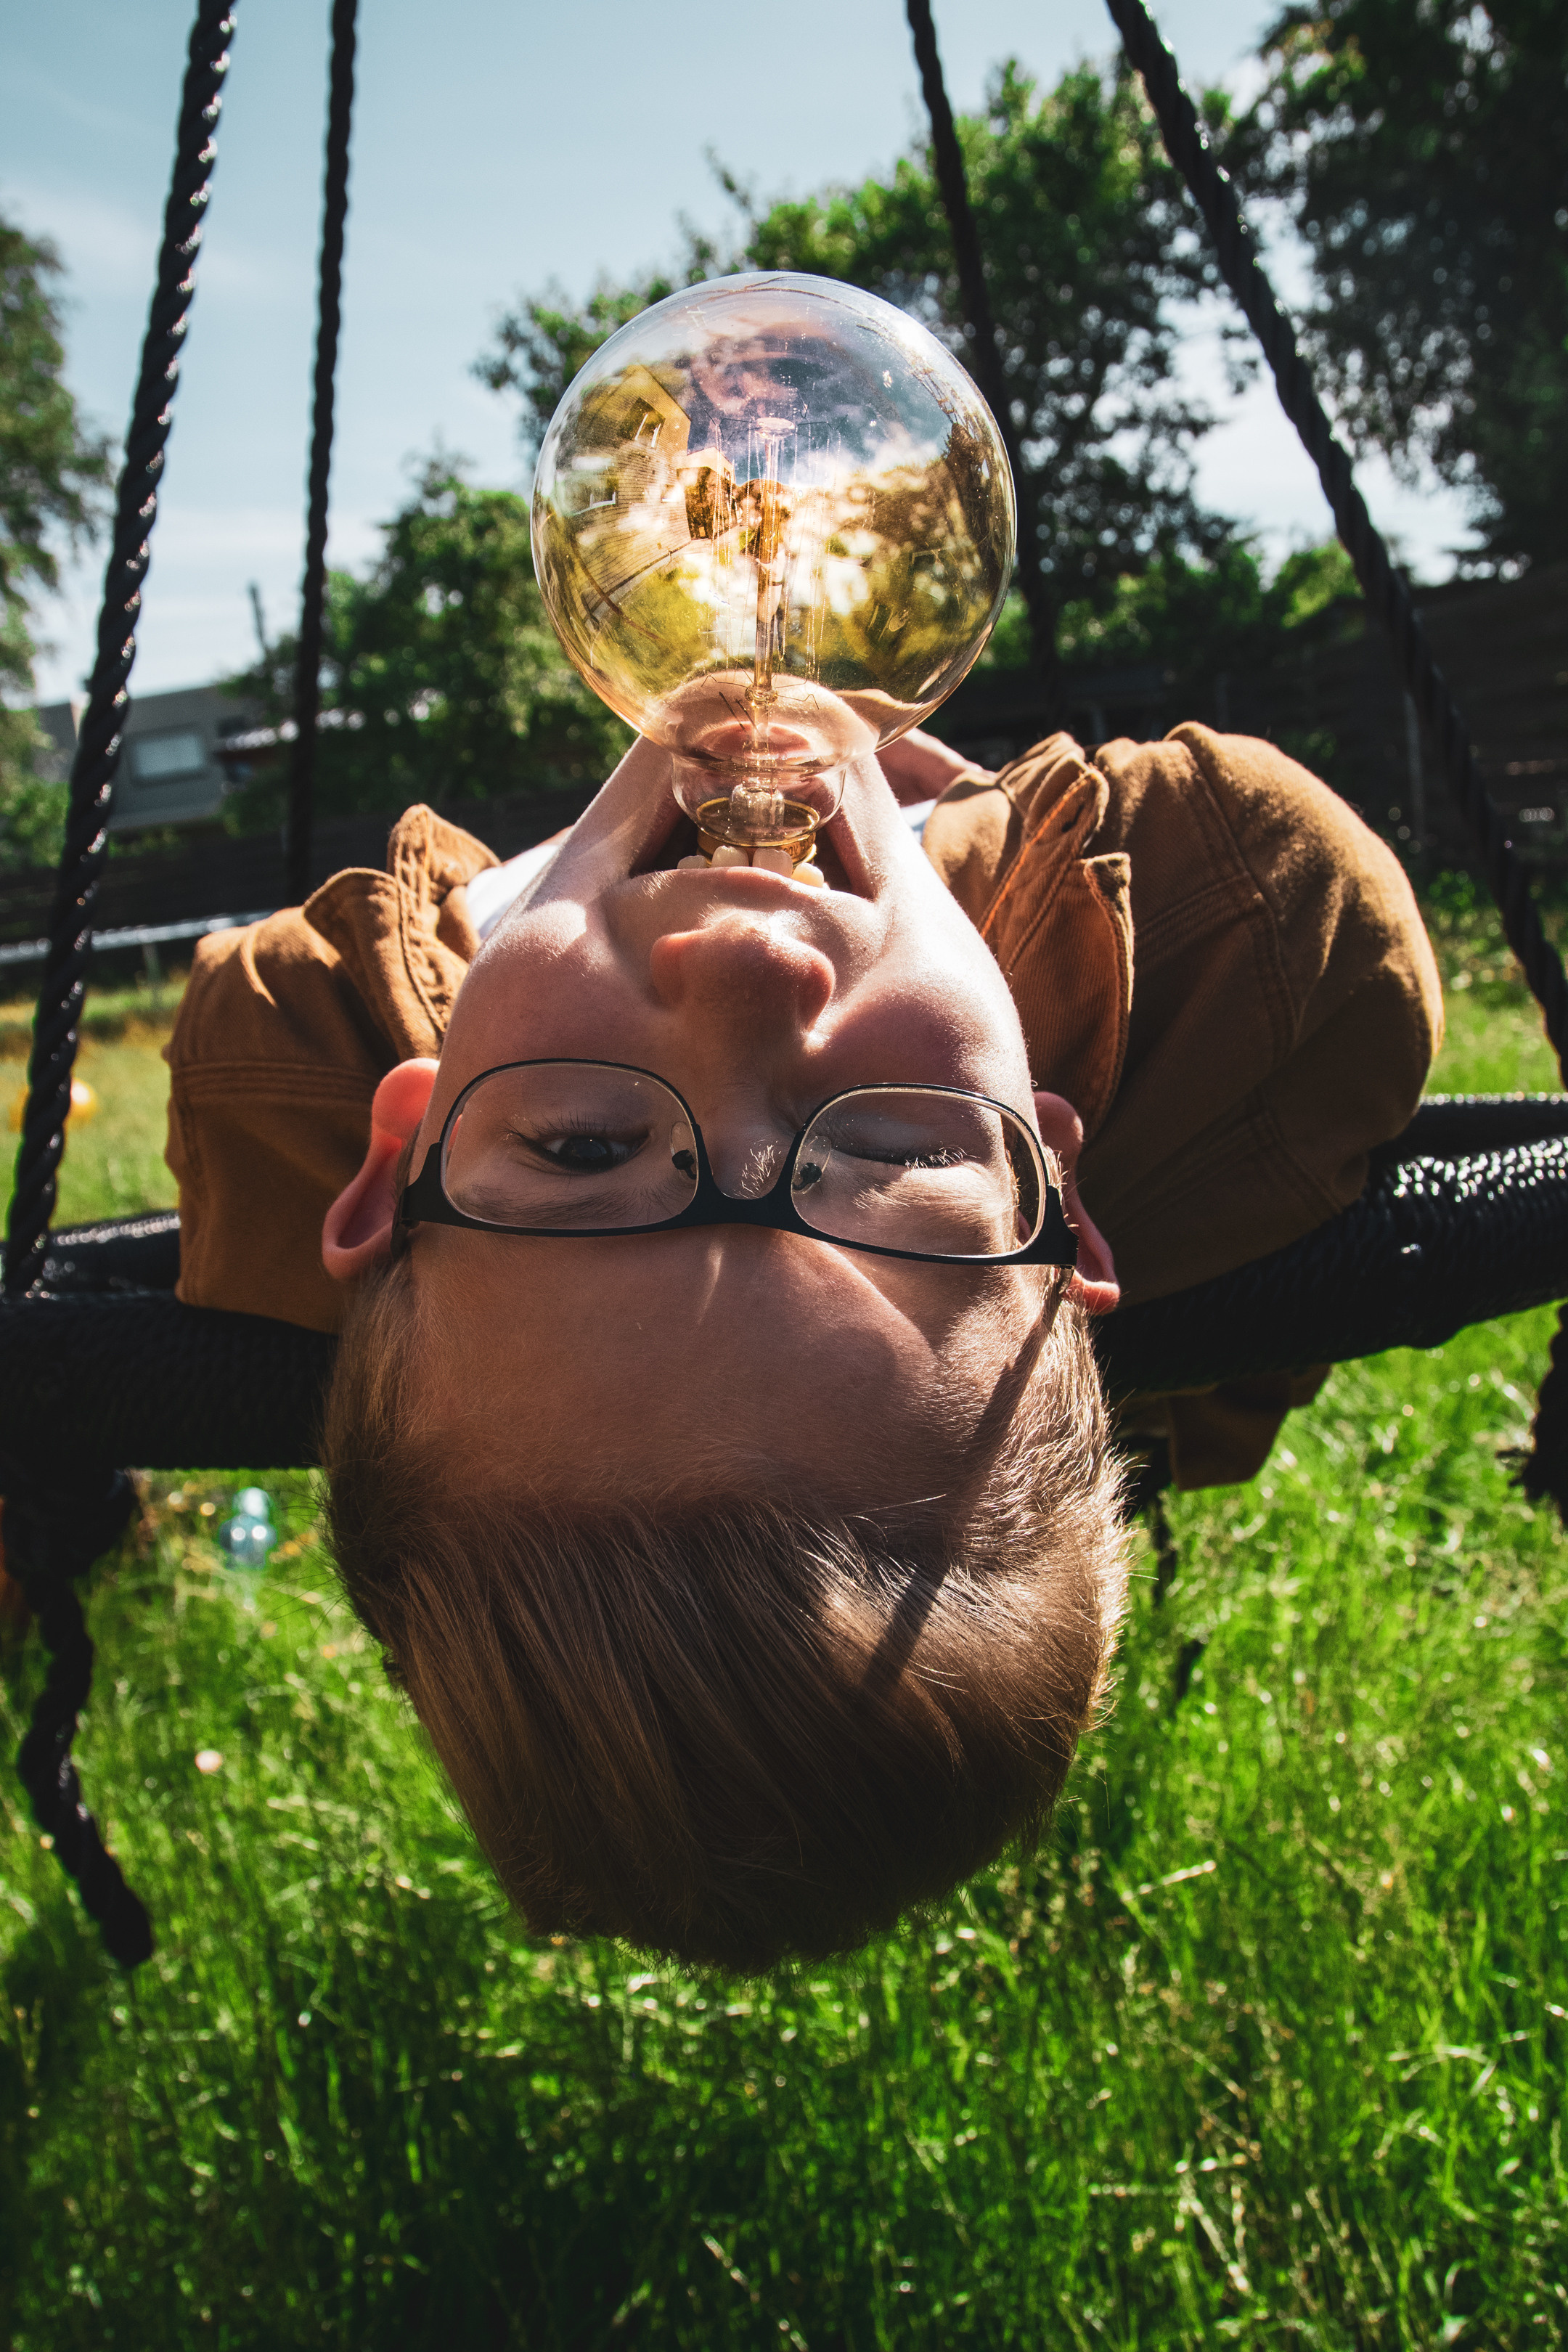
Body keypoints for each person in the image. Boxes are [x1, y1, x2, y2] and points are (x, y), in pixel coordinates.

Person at [163, 720, 1441, 1968]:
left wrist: (593, 848)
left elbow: (256, 1017)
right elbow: (1289, 876)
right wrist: (938, 830)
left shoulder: (283, 1069)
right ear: (1058, 1188)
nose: (745, 964)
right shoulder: (1242, 954)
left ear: (398, 1158)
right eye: (898, 1151)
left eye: (580, 1147)